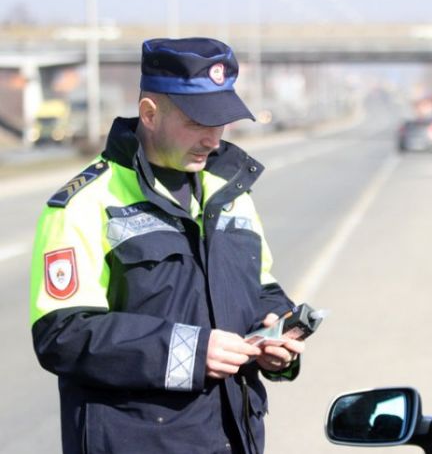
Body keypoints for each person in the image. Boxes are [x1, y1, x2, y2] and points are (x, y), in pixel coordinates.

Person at [30, 37, 305, 454]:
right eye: (198, 122)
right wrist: (192, 354)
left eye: (222, 121)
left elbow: (260, 289)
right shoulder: (86, 203)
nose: (213, 139)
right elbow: (62, 335)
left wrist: (278, 337)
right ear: (149, 114)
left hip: (233, 438)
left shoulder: (228, 194)